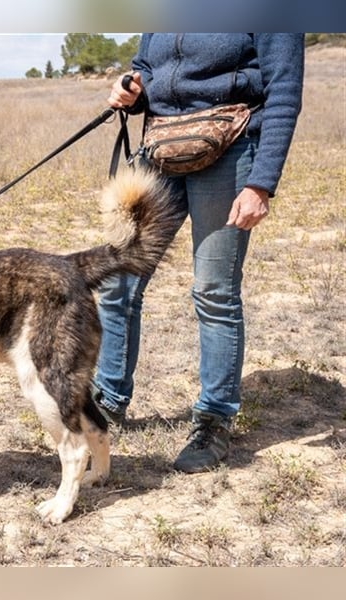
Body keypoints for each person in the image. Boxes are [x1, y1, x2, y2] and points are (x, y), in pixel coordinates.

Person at [94, 33, 305, 472]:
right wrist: (133, 91)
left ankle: (214, 419)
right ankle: (107, 399)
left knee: (214, 292)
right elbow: (147, 68)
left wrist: (260, 182)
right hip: (163, 151)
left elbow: (284, 90)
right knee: (118, 280)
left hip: (230, 153)